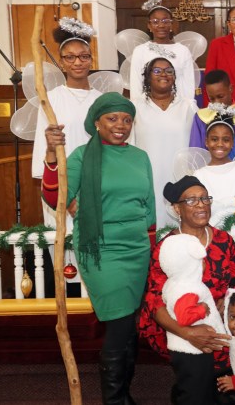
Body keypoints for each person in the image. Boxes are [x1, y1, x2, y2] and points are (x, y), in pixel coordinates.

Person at [42, 92, 155, 404]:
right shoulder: (80, 155)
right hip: (101, 250)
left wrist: (152, 243)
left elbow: (149, 207)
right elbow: (56, 197)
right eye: (112, 118)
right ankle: (115, 399)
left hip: (137, 249)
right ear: (96, 122)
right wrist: (52, 155)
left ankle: (124, 392)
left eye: (127, 119)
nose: (121, 125)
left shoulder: (139, 157)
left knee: (128, 323)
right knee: (119, 324)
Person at [139, 175, 235, 405]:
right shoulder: (168, 247)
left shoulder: (223, 240)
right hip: (181, 325)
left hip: (222, 320)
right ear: (177, 209)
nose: (201, 204)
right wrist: (188, 333)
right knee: (196, 391)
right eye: (191, 200)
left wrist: (230, 301)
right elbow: (154, 301)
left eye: (204, 198)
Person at [32, 17, 101, 230]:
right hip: (61, 189)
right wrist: (66, 196)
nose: (77, 62)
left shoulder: (102, 101)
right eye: (70, 57)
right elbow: (44, 153)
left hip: (97, 190)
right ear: (61, 62)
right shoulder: (50, 100)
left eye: (83, 56)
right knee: (66, 258)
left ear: (91, 60)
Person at [131, 57, 198, 228]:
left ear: (175, 77)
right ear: (147, 77)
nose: (164, 74)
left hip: (180, 179)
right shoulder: (135, 107)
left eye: (169, 71)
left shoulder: (188, 107)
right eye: (157, 70)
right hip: (147, 179)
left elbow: (196, 146)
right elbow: (130, 146)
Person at [158, 233, 226, 354]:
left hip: (180, 345)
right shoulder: (190, 289)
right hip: (194, 347)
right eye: (201, 261)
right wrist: (202, 308)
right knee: (199, 372)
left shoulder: (172, 283)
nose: (204, 264)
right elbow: (184, 318)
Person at [129, 0, 197, 102]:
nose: (161, 25)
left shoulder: (182, 51)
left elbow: (188, 83)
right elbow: (136, 84)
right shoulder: (140, 51)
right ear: (149, 26)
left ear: (171, 25)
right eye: (155, 21)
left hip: (178, 105)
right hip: (148, 106)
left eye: (165, 21)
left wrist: (186, 107)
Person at [193, 115, 235, 227]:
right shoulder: (199, 175)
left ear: (232, 143)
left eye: (226, 140)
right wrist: (233, 201)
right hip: (212, 236)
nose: (220, 144)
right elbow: (201, 209)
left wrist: (215, 206)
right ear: (206, 142)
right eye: (214, 139)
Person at [189, 69, 235, 158]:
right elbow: (196, 151)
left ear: (230, 89)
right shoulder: (201, 117)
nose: (217, 102)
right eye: (212, 99)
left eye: (220, 96)